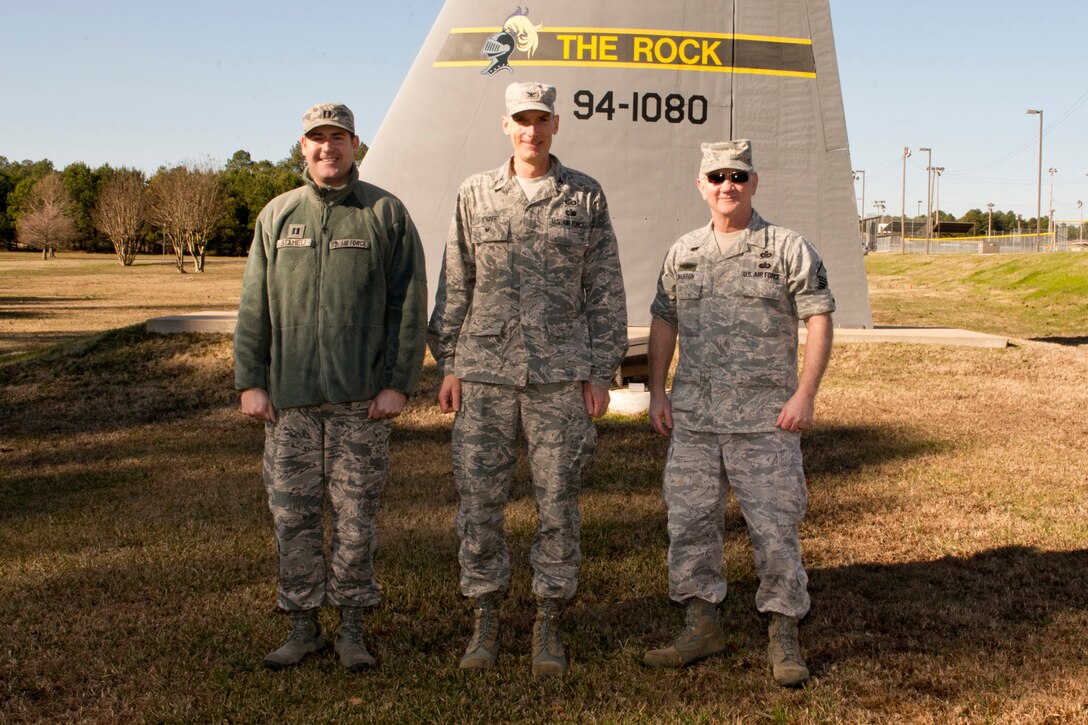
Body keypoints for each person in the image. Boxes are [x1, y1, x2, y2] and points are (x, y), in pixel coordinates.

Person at [427, 81, 627, 676]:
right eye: (521, 120)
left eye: (540, 119)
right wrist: (450, 364)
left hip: (560, 378)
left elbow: (606, 290)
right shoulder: (475, 195)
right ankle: (485, 618)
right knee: (479, 502)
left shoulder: (584, 196)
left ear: (556, 125)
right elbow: (455, 282)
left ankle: (549, 621)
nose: (531, 130)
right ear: (506, 126)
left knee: (559, 501)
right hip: (485, 376)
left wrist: (599, 371)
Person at [233, 102, 427, 672]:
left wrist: (397, 384)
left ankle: (351, 628)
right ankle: (302, 625)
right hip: (290, 405)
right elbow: (253, 308)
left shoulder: (385, 213)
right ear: (302, 146)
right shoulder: (277, 215)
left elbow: (408, 306)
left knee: (355, 516)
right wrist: (251, 381)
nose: (327, 148)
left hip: (358, 406)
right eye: (317, 139)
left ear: (354, 144)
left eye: (337, 138)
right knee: (292, 516)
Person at [642, 140, 834, 687]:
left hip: (765, 421)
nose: (728, 185)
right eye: (717, 176)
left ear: (754, 183)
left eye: (738, 176)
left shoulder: (787, 248)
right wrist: (658, 390)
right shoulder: (683, 252)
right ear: (701, 185)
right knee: (690, 525)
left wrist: (805, 393)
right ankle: (701, 624)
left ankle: (783, 629)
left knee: (775, 529)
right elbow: (663, 321)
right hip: (695, 420)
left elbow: (818, 318)